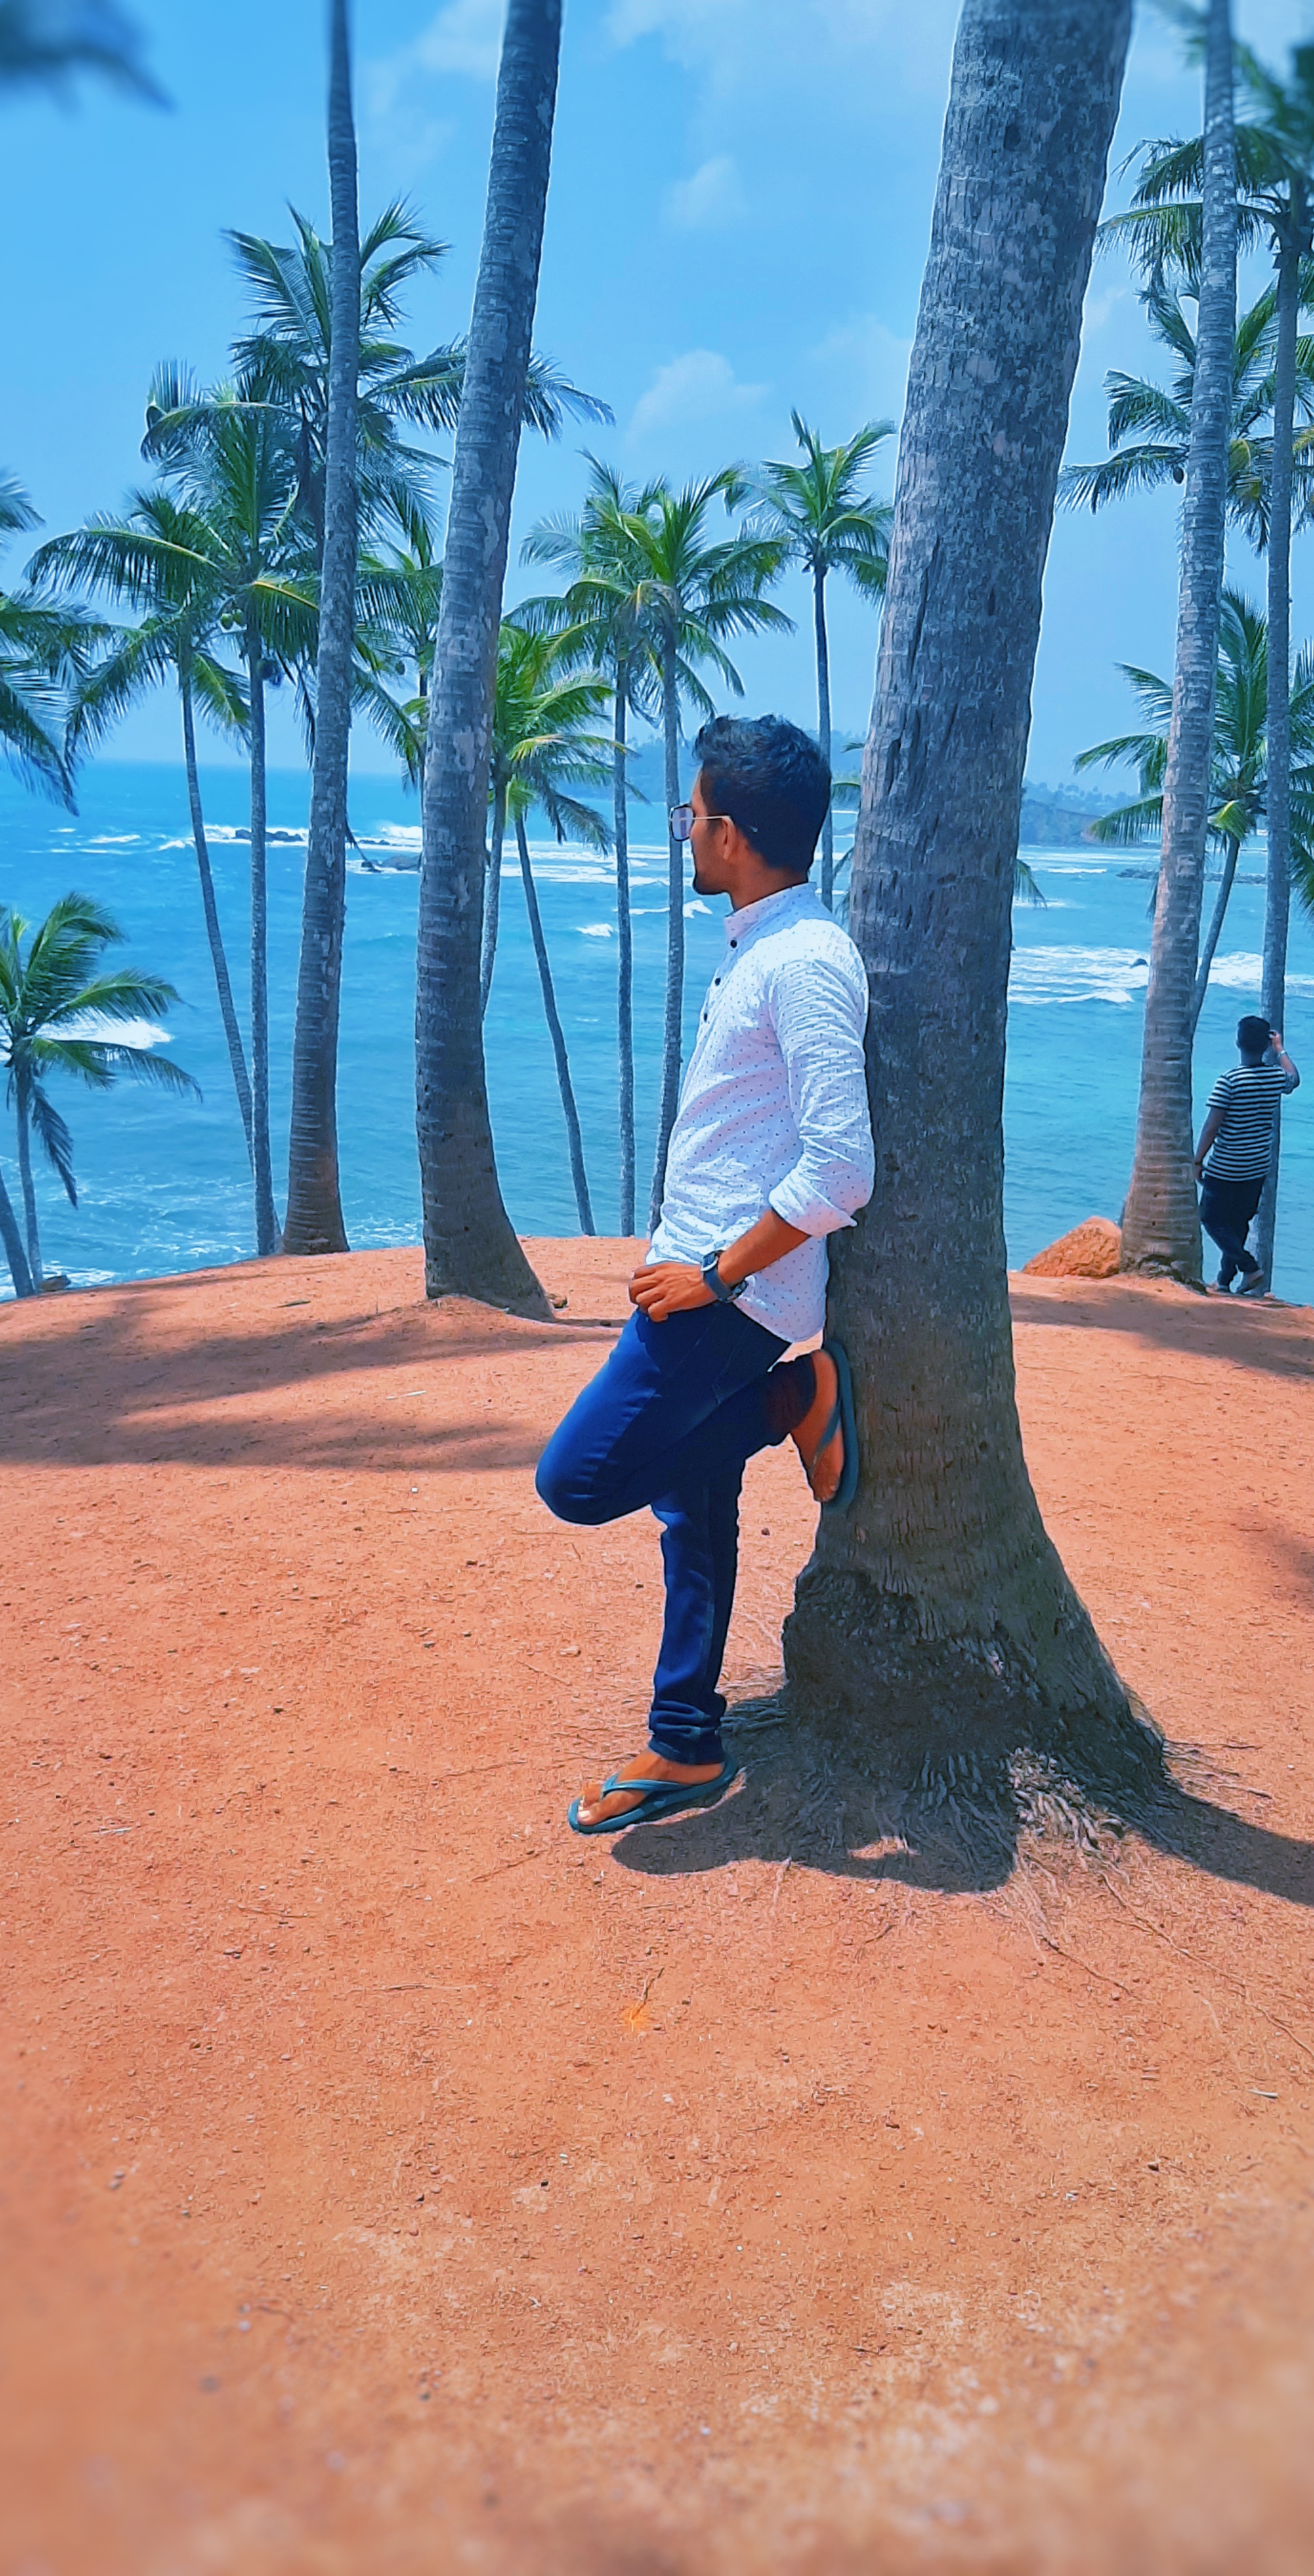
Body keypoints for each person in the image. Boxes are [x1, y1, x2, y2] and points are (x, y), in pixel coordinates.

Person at [536, 715, 874, 1838]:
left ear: (729, 834)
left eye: (689, 813)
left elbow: (841, 1167)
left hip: (724, 1301)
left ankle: (793, 1398)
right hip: (698, 1278)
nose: (682, 829)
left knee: (577, 1481)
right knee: (691, 1505)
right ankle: (683, 1741)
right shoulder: (763, 947)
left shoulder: (804, 964)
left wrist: (714, 1278)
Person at [1194, 1013, 1300, 1296]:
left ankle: (1249, 1266)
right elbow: (1294, 1078)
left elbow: (1211, 1126)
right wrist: (1280, 1049)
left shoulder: (1229, 1081)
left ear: (1237, 1043)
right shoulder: (1275, 1077)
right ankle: (1224, 1281)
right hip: (1256, 1166)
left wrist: (1197, 1160)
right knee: (1238, 1223)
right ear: (1265, 1045)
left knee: (1211, 1219)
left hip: (1226, 1166)